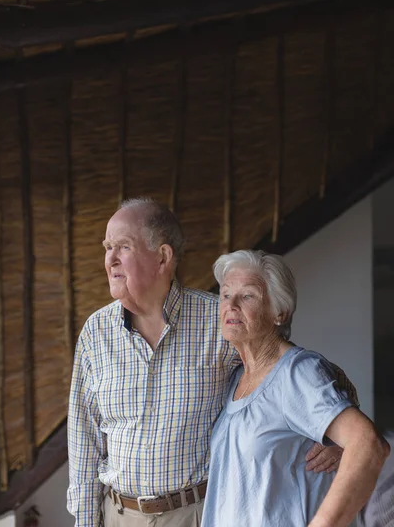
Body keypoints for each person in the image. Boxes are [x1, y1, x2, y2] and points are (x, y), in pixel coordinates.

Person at [67, 198, 357, 527]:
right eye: (108, 247)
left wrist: (339, 442)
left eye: (123, 247)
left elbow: (305, 373)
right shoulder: (96, 332)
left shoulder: (217, 320)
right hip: (117, 514)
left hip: (196, 514)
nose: (111, 259)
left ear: (162, 257)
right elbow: (84, 443)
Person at [201, 249, 390, 527]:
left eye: (248, 295)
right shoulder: (237, 377)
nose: (231, 305)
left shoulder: (296, 373)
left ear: (280, 312)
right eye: (226, 294)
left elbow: (369, 444)